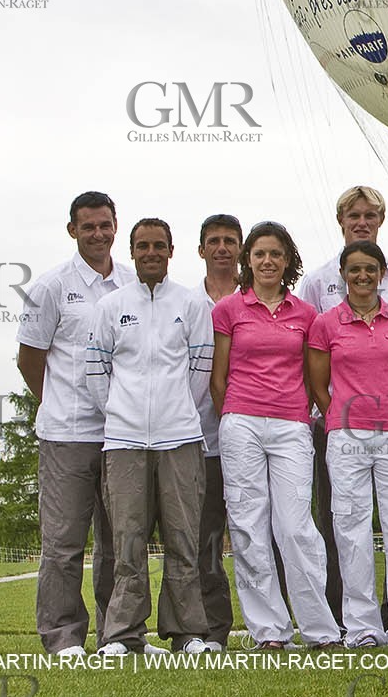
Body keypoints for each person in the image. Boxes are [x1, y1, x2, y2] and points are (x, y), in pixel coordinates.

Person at [211, 222, 342, 649]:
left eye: (276, 254)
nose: (268, 261)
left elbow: (311, 374)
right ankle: (269, 631)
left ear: (288, 261)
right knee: (248, 525)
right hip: (241, 423)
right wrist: (234, 416)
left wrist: (296, 413)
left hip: (291, 425)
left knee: (296, 526)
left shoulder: (306, 314)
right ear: (248, 260)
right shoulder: (228, 310)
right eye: (260, 254)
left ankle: (319, 629)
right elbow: (218, 378)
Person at [16, 191, 136, 657]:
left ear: (115, 227)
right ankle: (63, 636)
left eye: (105, 225)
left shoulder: (131, 284)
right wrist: (57, 403)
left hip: (121, 434)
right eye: (88, 226)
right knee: (64, 543)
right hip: (66, 437)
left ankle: (119, 635)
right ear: (73, 230)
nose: (98, 234)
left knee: (119, 544)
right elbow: (29, 359)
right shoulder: (49, 287)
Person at [86, 218, 212, 656]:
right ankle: (123, 635)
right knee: (128, 541)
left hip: (181, 440)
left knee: (184, 540)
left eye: (159, 246)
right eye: (143, 246)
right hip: (124, 443)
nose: (151, 253)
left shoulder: (191, 303)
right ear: (132, 252)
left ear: (171, 251)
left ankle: (187, 633)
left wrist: (176, 410)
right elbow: (97, 371)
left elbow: (200, 369)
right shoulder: (111, 306)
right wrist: (122, 413)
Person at [297, 185, 388, 627]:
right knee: (348, 525)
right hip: (341, 428)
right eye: (354, 215)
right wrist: (336, 414)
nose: (362, 222)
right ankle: (358, 622)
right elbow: (315, 373)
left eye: (370, 215)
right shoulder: (318, 286)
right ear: (341, 221)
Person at [154, 214, 239, 652]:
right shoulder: (184, 303)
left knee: (269, 536)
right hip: (198, 439)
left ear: (241, 249)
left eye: (230, 241)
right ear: (201, 249)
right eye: (214, 241)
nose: (222, 248)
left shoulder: (258, 299)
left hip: (254, 437)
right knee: (201, 539)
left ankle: (277, 628)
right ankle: (206, 630)